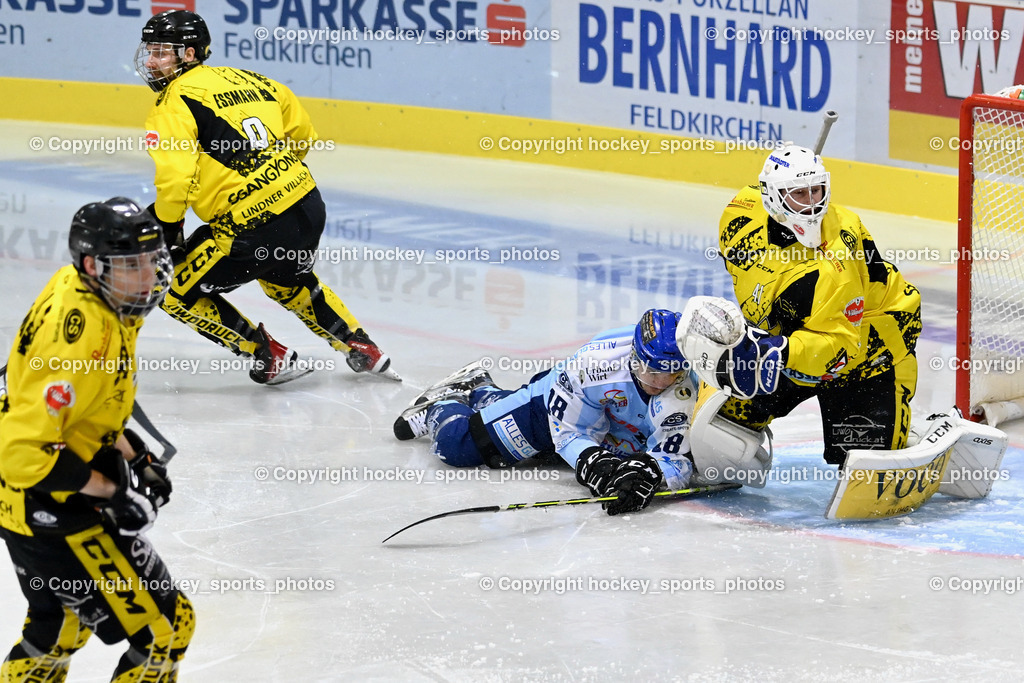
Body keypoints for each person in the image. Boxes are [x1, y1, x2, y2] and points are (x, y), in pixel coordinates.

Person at [133, 9, 399, 385]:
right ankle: (361, 347)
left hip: (251, 226)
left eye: (161, 52)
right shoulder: (256, 80)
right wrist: (274, 178)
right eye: (150, 51)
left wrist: (166, 226)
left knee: (171, 288)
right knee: (287, 281)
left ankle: (267, 355)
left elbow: (175, 179)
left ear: (188, 54)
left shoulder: (174, 101)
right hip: (307, 204)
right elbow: (304, 136)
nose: (150, 61)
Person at [0, 199, 193, 681]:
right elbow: (24, 455)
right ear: (93, 265)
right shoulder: (81, 336)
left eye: (151, 260)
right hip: (43, 507)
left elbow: (87, 407)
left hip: (28, 502)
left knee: (59, 626)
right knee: (166, 630)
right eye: (132, 265)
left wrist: (135, 453)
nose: (148, 274)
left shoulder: (92, 292)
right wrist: (114, 493)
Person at [680, 144, 922, 467]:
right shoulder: (740, 215)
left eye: (817, 191)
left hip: (872, 339)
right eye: (799, 193)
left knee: (860, 459)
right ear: (771, 196)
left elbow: (839, 347)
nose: (812, 205)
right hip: (796, 337)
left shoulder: (837, 262)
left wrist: (777, 352)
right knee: (725, 423)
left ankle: (900, 433)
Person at [393, 310, 706, 515]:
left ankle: (483, 389)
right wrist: (590, 459)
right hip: (557, 407)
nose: (660, 381)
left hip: (617, 428)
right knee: (456, 446)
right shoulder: (595, 363)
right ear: (633, 355)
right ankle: (446, 402)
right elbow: (568, 430)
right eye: (649, 369)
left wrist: (653, 471)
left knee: (546, 456)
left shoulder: (692, 382)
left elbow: (676, 456)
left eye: (672, 372)